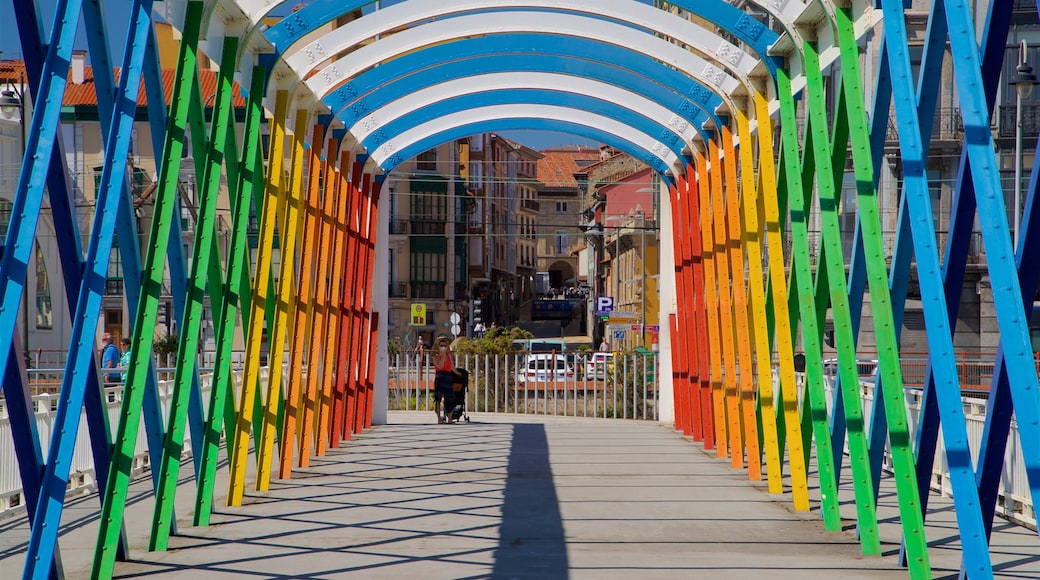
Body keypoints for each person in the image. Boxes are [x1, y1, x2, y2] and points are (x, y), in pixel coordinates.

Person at [432, 337, 455, 424]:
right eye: (441, 346)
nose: (443, 347)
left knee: (450, 398)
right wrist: (443, 356)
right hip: (440, 377)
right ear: (438, 347)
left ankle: (450, 418)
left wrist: (458, 373)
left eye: (445, 346)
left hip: (448, 377)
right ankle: (439, 418)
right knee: (438, 399)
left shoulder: (449, 356)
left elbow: (451, 366)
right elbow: (440, 367)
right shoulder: (436, 357)